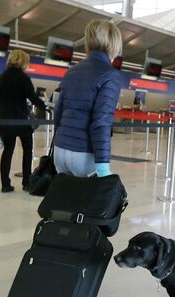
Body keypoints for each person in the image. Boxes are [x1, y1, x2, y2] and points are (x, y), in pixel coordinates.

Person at [53, 20, 122, 178]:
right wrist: (103, 167)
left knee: (66, 201)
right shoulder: (110, 76)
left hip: (60, 150)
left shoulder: (72, 71)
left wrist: (60, 140)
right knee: (86, 202)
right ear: (114, 45)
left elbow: (58, 112)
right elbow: (101, 122)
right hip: (83, 154)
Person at [0, 50, 47, 193]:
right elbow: (33, 98)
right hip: (22, 119)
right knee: (27, 151)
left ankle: (5, 184)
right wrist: (46, 107)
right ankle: (26, 183)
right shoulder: (24, 78)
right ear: (23, 62)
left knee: (8, 151)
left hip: (6, 119)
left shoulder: (1, 77)